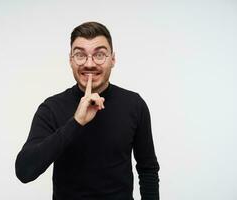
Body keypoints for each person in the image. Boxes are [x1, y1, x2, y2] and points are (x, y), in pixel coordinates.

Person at [15, 21, 160, 200]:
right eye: (80, 55)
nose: (89, 64)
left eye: (99, 55)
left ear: (112, 59)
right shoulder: (51, 108)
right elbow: (24, 171)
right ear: (70, 59)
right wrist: (76, 122)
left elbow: (148, 170)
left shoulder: (135, 105)